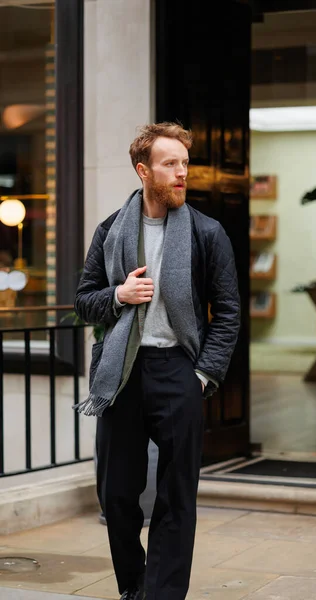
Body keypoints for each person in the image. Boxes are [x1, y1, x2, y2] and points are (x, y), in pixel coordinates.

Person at [74, 122, 241, 600]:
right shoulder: (110, 230)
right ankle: (135, 586)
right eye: (171, 164)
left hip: (179, 372)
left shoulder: (208, 233)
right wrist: (119, 295)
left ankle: (164, 595)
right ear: (144, 171)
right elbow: (85, 300)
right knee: (117, 494)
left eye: (185, 164)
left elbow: (228, 312)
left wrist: (204, 375)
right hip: (121, 372)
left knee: (176, 495)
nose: (182, 173)